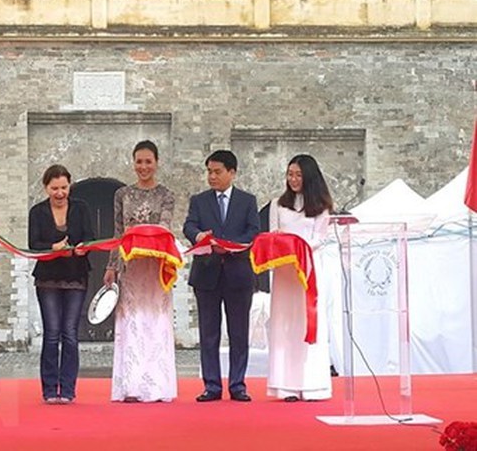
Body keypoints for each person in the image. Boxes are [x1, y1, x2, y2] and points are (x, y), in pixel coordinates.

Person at [103, 140, 177, 403]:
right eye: (139, 161)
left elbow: (164, 228)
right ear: (133, 163)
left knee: (155, 321)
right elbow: (118, 232)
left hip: (155, 266)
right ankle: (131, 385)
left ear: (156, 163)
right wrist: (112, 265)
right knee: (132, 320)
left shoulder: (166, 194)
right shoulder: (122, 195)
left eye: (148, 161)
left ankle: (156, 385)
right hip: (130, 266)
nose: (143, 166)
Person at [183, 150, 260, 402]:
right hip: (207, 273)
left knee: (238, 332)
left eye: (217, 172)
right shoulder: (200, 200)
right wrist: (199, 237)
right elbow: (189, 225)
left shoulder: (247, 201)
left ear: (232, 172)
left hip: (238, 273)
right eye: (209, 171)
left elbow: (253, 231)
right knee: (208, 332)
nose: (212, 176)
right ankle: (212, 385)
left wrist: (228, 244)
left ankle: (237, 384)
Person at [267, 154, 333, 402]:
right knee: (285, 325)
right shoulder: (278, 204)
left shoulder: (321, 206)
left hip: (307, 269)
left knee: (307, 323)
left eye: (298, 175)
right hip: (284, 272)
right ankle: (285, 385)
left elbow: (319, 238)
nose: (293, 179)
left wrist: (298, 249)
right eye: (290, 174)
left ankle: (311, 383)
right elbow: (273, 233)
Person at [29, 164, 95, 404]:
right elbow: (33, 243)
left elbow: (90, 236)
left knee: (70, 333)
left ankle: (67, 389)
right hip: (48, 276)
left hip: (76, 274)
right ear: (46, 188)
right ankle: (48, 389)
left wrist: (82, 248)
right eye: (54, 188)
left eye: (64, 188)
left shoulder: (81, 208)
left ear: (70, 186)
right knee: (52, 333)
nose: (59, 193)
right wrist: (52, 248)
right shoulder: (37, 212)